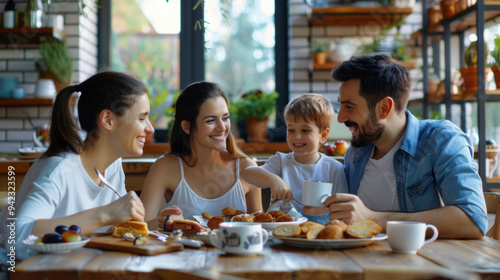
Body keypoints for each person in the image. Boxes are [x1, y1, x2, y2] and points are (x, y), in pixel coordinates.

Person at [324, 54, 487, 238]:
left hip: (426, 262)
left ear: (384, 108)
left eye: (350, 107)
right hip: (360, 262)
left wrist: (374, 219)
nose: (340, 118)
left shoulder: (441, 140)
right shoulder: (356, 152)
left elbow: (472, 220)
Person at [0, 71, 153, 263]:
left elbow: (114, 229)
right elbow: (16, 239)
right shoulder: (58, 170)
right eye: (141, 118)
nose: (150, 129)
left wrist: (161, 224)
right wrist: (105, 213)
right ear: (108, 120)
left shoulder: (113, 165)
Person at [140, 81, 262, 229]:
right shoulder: (166, 167)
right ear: (187, 126)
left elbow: (259, 229)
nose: (222, 127)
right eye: (211, 120)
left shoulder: (247, 168)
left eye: (225, 117)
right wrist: (166, 223)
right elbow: (139, 228)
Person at [241, 93, 348, 224]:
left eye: (305, 130)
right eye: (291, 130)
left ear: (323, 135)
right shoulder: (280, 161)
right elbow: (247, 173)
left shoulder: (334, 169)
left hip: (321, 235)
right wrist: (273, 180)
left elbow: (343, 211)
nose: (296, 137)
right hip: (284, 233)